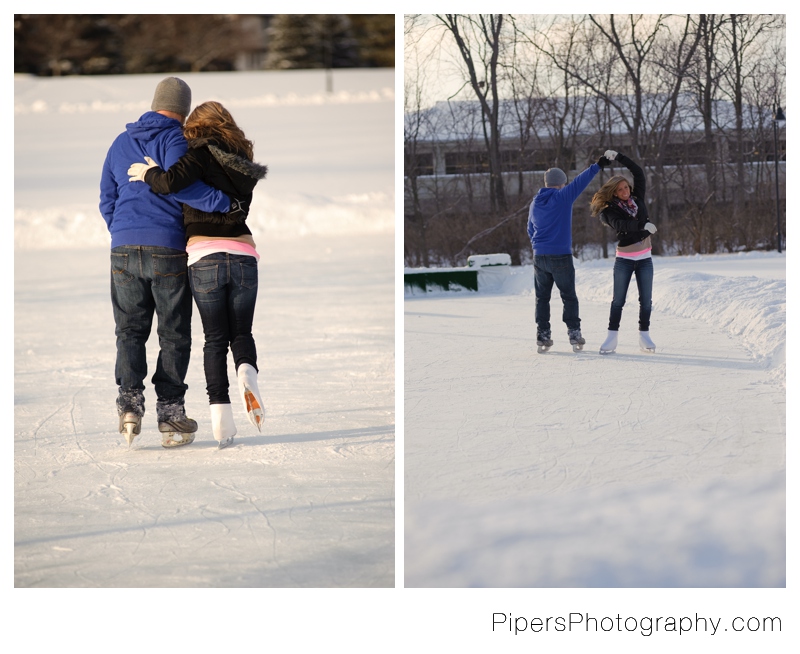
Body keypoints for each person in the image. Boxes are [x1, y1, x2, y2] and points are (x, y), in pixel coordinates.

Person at [100, 77, 232, 448]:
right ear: (183, 109)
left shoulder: (120, 142)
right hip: (168, 249)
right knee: (173, 333)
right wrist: (223, 202)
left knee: (130, 331)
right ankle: (171, 414)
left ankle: (129, 404)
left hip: (123, 248)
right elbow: (182, 185)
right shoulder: (175, 140)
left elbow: (106, 197)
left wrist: (123, 231)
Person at [128, 101, 268, 449]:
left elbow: (173, 183)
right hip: (243, 255)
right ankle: (247, 371)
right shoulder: (244, 161)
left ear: (200, 125)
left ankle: (221, 419)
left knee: (215, 340)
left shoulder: (200, 152)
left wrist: (149, 174)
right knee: (242, 332)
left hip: (204, 255)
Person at [527, 154, 610, 352]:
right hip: (560, 256)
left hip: (539, 256)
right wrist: (597, 166)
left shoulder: (535, 202)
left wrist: (538, 246)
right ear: (561, 183)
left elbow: (530, 228)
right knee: (568, 296)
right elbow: (580, 182)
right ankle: (574, 333)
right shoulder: (562, 197)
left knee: (542, 297)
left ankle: (543, 334)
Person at [590, 150, 658, 354]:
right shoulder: (609, 211)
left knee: (646, 301)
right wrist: (644, 225)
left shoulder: (638, 199)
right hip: (625, 260)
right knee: (618, 300)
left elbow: (638, 172)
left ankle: (644, 335)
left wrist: (619, 156)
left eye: (626, 187)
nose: (625, 191)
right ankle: (612, 337)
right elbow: (622, 225)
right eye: (620, 190)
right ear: (614, 193)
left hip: (645, 259)